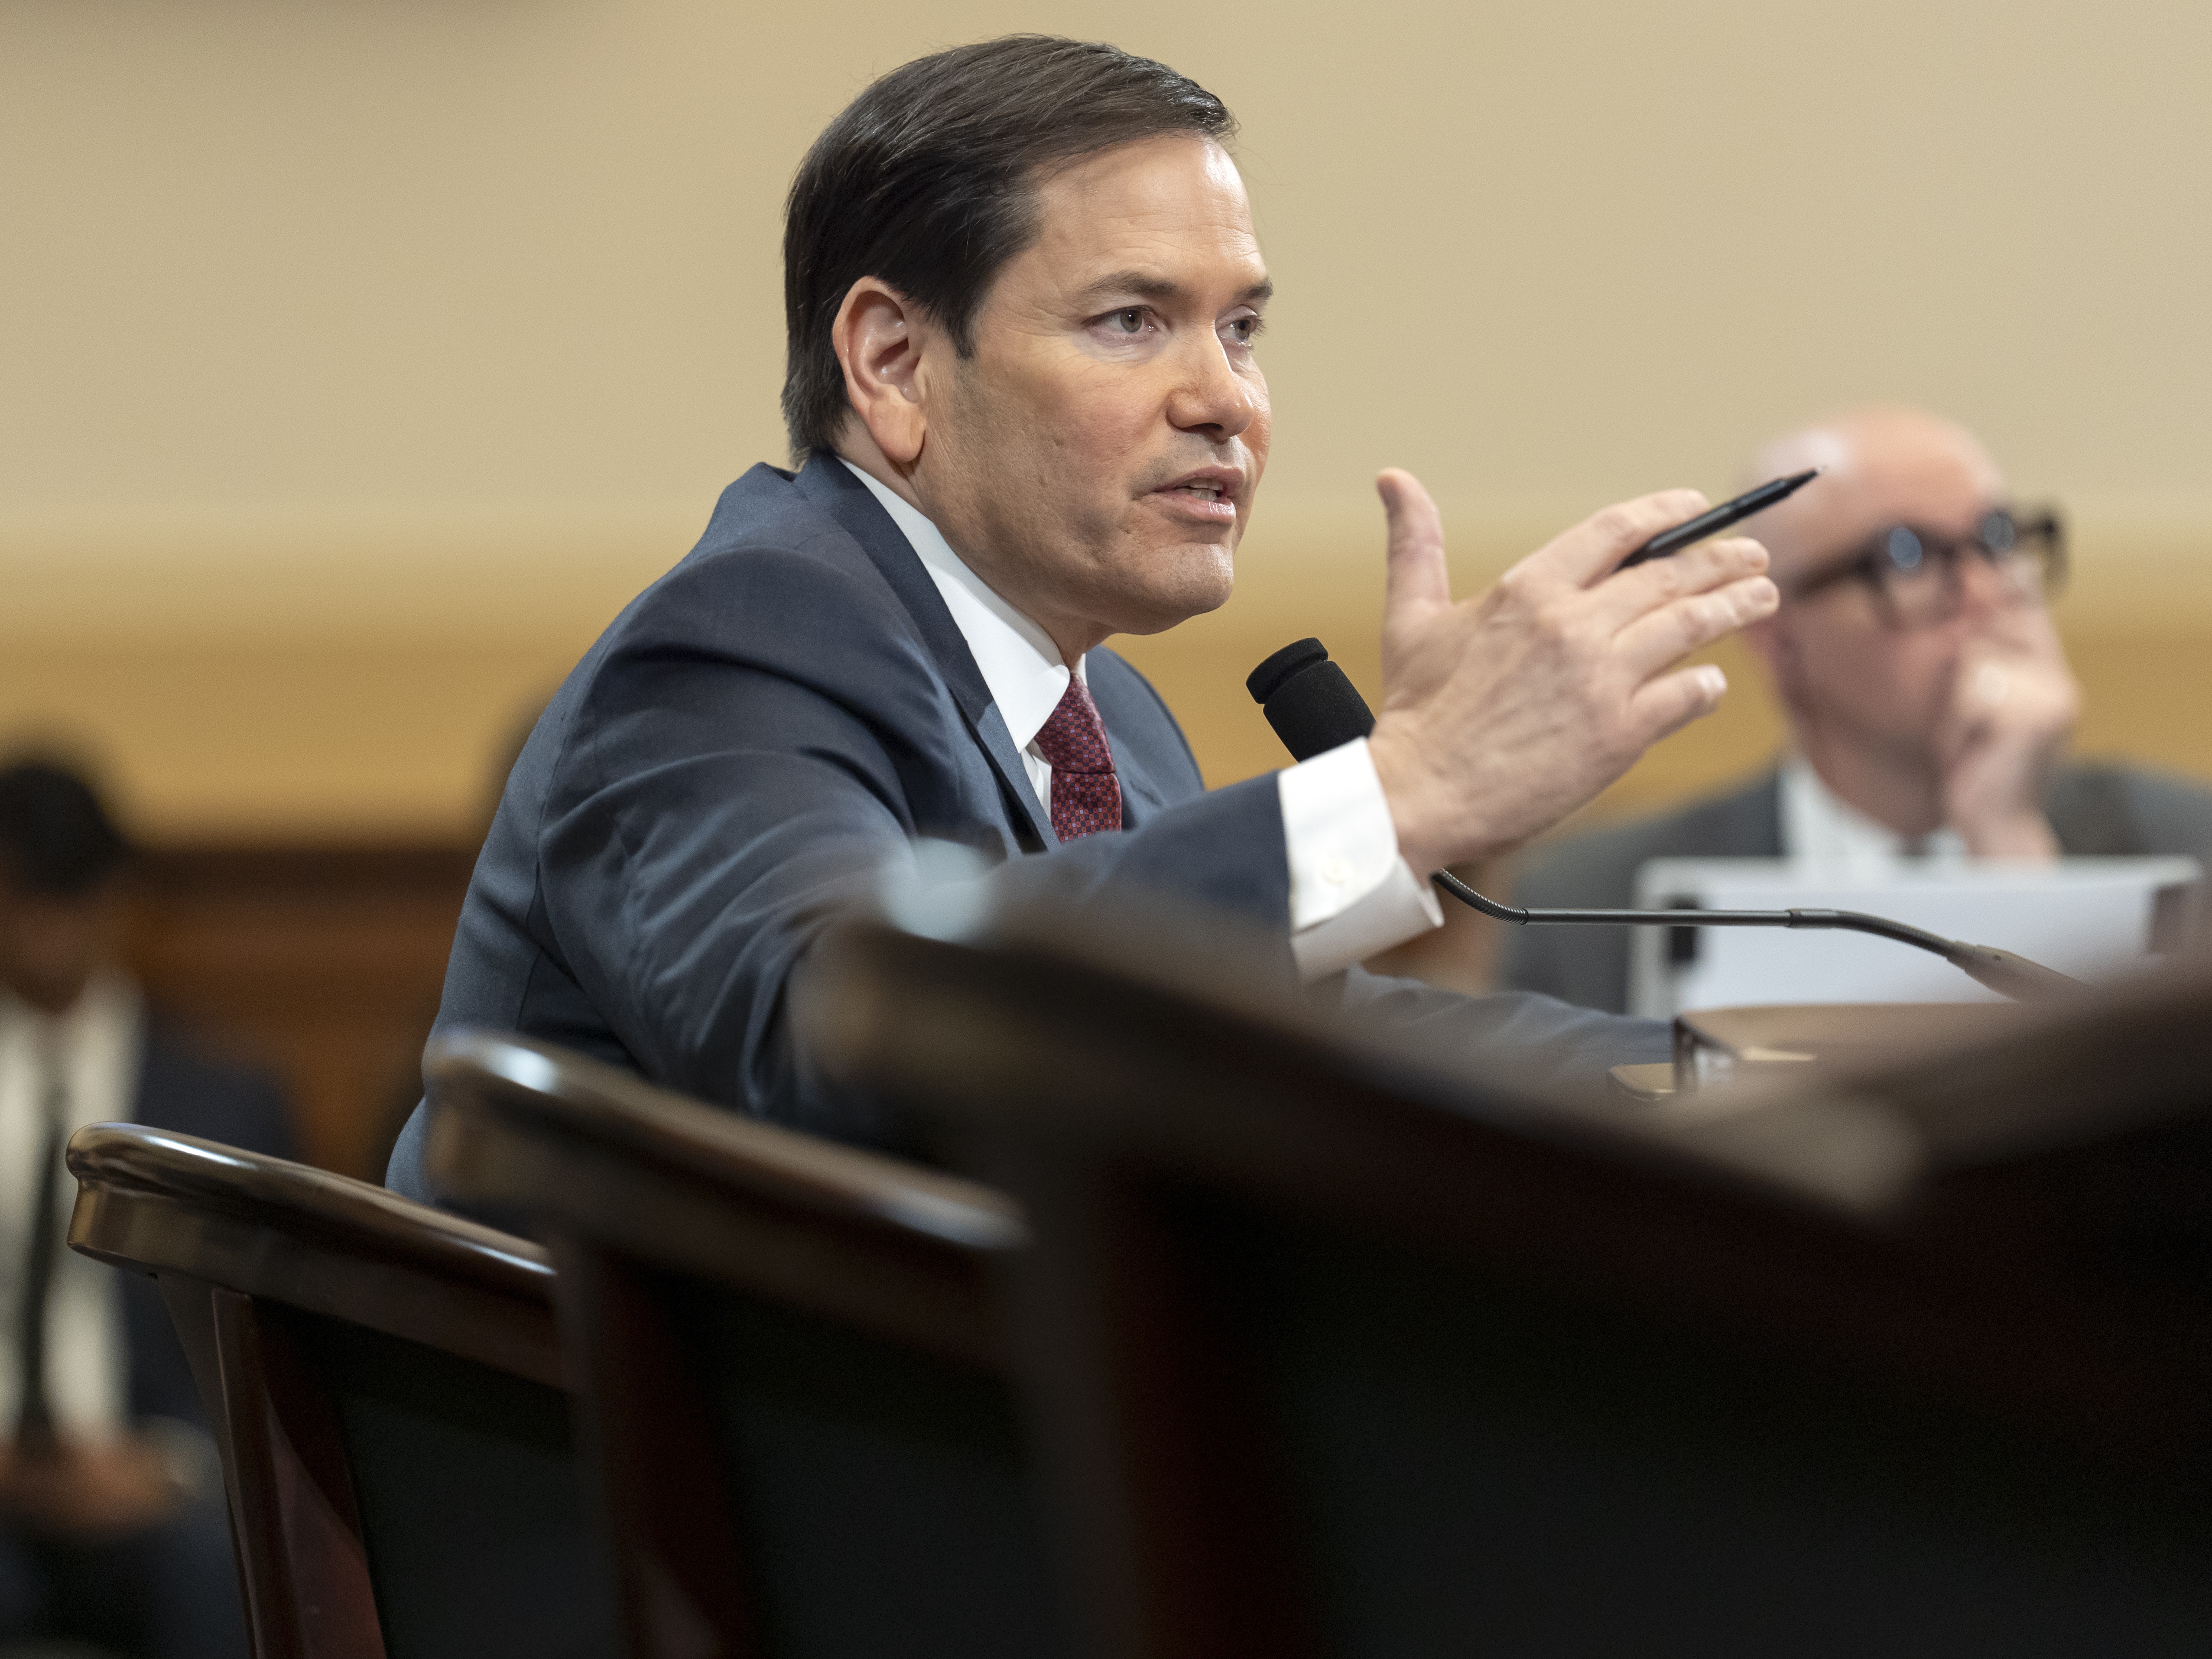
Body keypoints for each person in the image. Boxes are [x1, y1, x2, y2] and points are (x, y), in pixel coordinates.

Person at [386, 36, 1782, 1198]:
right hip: (674, 1507)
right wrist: (1405, 789)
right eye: (1131, 320)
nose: (1224, 397)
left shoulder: (1105, 715)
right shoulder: (741, 639)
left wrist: (1721, 1078)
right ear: (891, 363)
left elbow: (1313, 1035)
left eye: (1242, 328)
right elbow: (835, 1032)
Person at [1503, 405, 2212, 1014]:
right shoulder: (1592, 907)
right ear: (1779, 639)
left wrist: (2007, 842)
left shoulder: (2189, 849)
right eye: (1906, 558)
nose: (1980, 592)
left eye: (1996, 538)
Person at [0, 757, 295, 1659]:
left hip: (159, 1490)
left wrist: (167, 1468)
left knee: (220, 1569)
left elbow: (286, 1339)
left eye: (69, 891)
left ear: (120, 896)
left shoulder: (225, 1100)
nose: (46, 923)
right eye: (23, 891)